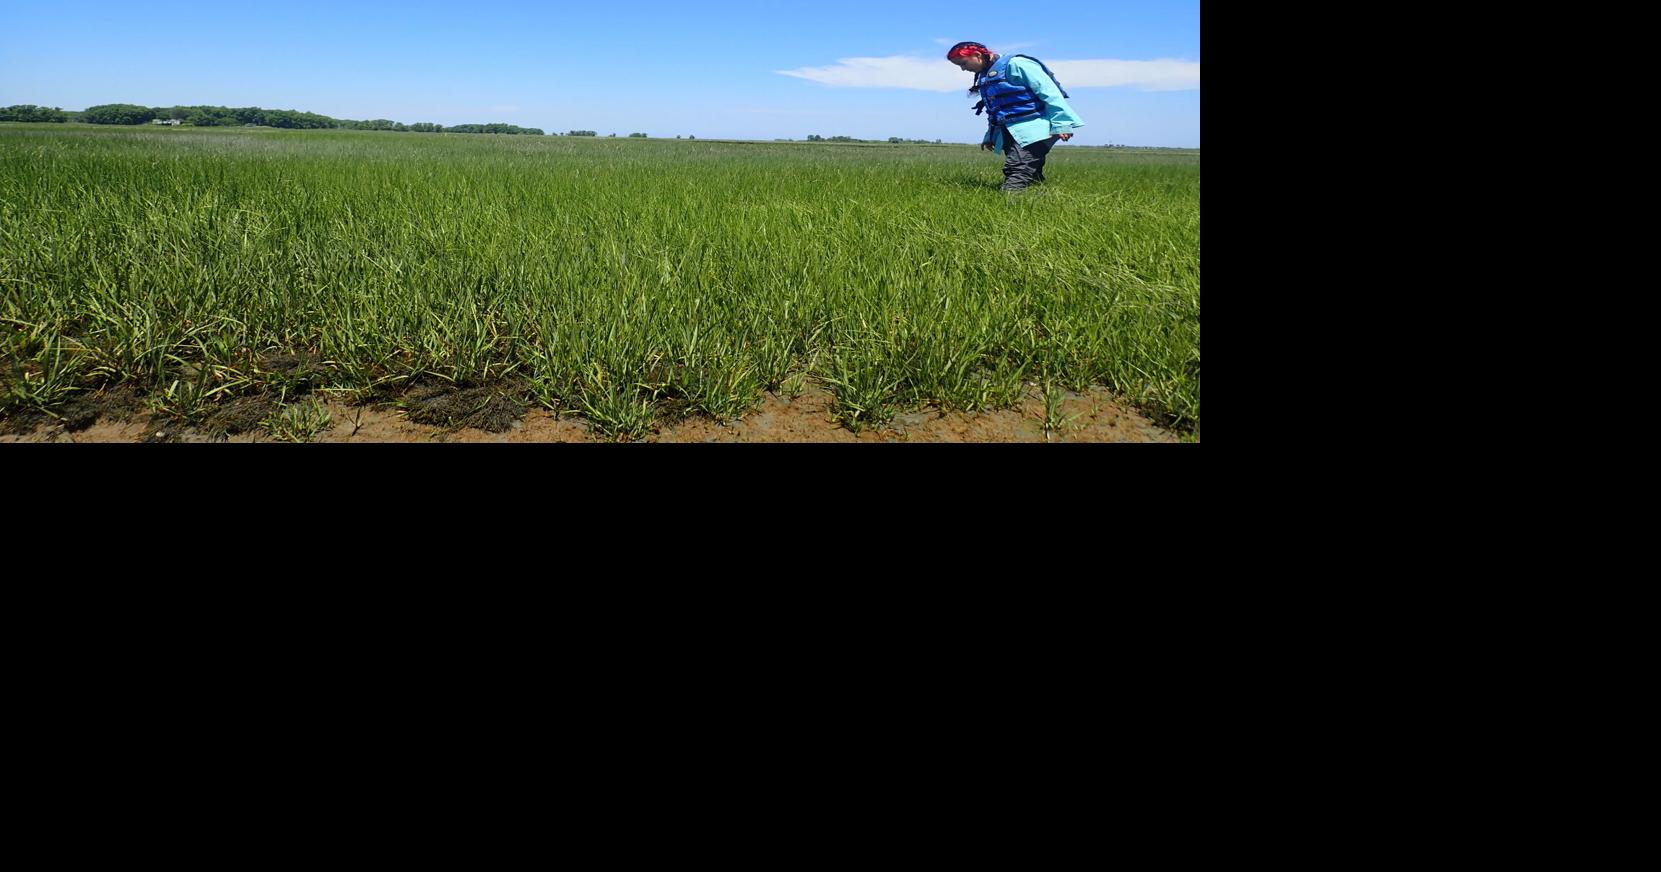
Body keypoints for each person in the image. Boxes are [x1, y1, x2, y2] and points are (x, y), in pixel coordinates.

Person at [945, 42, 1084, 192]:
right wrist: (990, 136)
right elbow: (996, 109)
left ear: (977, 55)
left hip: (1037, 127)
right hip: (1012, 130)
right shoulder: (986, 75)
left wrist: (1062, 124)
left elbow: (1050, 93)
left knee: (1017, 169)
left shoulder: (1017, 64)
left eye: (963, 63)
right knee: (1031, 172)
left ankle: (1010, 199)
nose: (963, 69)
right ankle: (1039, 196)